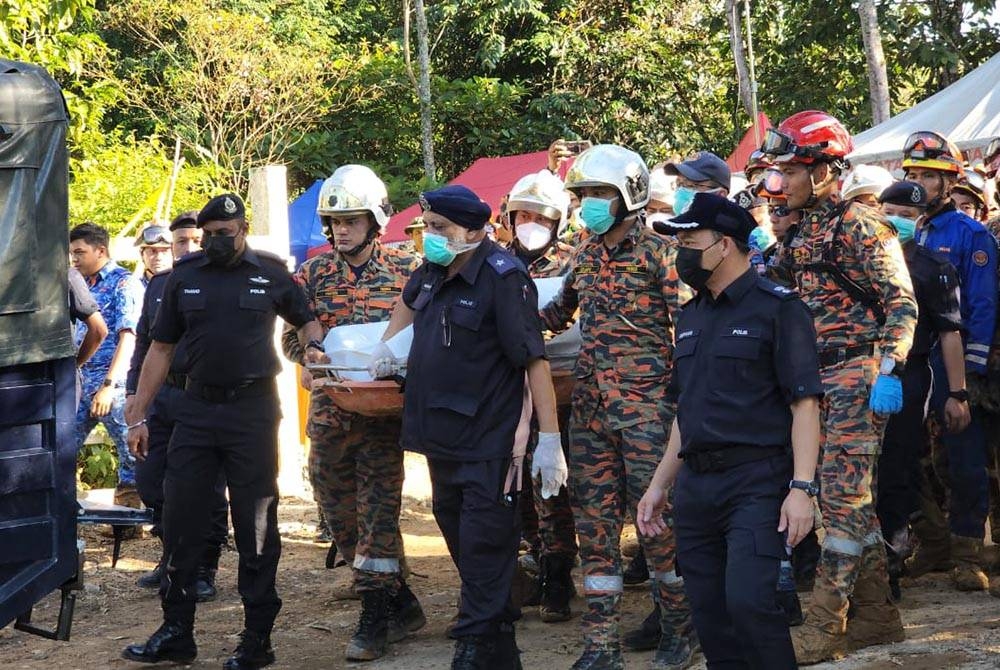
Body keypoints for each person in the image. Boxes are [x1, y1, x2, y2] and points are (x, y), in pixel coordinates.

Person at [121, 194, 325, 670]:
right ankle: (176, 631)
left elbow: (307, 320)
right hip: (193, 410)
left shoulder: (271, 273)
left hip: (251, 413)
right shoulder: (183, 278)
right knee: (181, 520)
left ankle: (257, 638)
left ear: (242, 229)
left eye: (224, 234)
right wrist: (139, 412)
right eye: (208, 234)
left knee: (255, 525)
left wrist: (316, 348)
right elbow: (161, 349)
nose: (214, 242)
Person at [368, 184, 566, 669]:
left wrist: (550, 440)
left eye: (441, 229)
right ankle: (498, 641)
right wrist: (385, 349)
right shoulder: (431, 272)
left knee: (484, 542)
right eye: (427, 228)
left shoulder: (503, 278)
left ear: (475, 231)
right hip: (439, 437)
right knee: (457, 532)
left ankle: (474, 647)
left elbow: (534, 360)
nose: (430, 237)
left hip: (490, 441)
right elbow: (406, 308)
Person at [637, 191, 823, 669]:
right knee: (711, 614)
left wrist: (802, 489)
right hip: (697, 487)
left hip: (756, 481)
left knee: (750, 604)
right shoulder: (692, 314)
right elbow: (687, 412)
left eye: (690, 240)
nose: (682, 252)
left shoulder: (779, 308)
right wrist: (659, 485)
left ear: (724, 245)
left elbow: (804, 403)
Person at [764, 110, 917, 664]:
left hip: (858, 376)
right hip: (814, 379)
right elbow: (771, 287)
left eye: (791, 169)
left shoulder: (860, 224)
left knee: (843, 498)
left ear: (824, 170)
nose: (780, 181)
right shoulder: (800, 228)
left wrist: (888, 368)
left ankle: (827, 624)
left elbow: (901, 304)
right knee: (848, 499)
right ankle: (879, 618)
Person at [542, 144, 694, 670]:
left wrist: (685, 400)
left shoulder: (661, 253)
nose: (588, 204)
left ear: (628, 194)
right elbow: (555, 313)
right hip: (590, 413)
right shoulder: (583, 254)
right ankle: (600, 643)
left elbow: (690, 330)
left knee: (656, 525)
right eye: (582, 194)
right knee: (595, 525)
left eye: (599, 194)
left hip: (649, 412)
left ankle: (679, 626)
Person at [279, 165, 424, 661]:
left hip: (384, 416)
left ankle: (374, 613)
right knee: (338, 510)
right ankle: (400, 598)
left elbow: (425, 333)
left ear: (376, 220)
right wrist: (308, 354)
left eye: (352, 221)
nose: (341, 230)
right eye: (335, 222)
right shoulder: (312, 274)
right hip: (330, 415)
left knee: (379, 511)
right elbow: (288, 336)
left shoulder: (408, 269)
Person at [901, 131, 999, 591]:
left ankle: (967, 552)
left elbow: (981, 306)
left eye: (928, 176)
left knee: (964, 458)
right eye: (913, 174)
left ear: (948, 183)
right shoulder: (914, 229)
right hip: (916, 361)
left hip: (956, 363)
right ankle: (934, 542)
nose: (918, 183)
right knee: (917, 456)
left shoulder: (971, 235)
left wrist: (971, 375)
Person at [127, 211, 227, 601]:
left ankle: (204, 565)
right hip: (161, 397)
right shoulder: (161, 285)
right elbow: (143, 342)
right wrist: (134, 395)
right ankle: (172, 555)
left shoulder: (216, 282)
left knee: (206, 485)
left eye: (191, 241)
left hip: (202, 396)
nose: (185, 249)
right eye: (178, 242)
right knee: (152, 480)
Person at [874, 182, 968, 600]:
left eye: (907, 215)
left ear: (921, 220)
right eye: (890, 210)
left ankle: (889, 567)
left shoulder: (933, 268)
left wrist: (959, 393)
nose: (897, 220)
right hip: (856, 373)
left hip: (909, 377)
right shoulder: (862, 260)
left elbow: (950, 333)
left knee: (896, 468)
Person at [503, 169, 578, 623]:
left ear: (558, 221)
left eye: (541, 216)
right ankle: (533, 561)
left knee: (555, 489)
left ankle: (559, 575)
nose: (530, 222)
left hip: (563, 394)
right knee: (519, 492)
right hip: (509, 398)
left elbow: (576, 316)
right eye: (522, 214)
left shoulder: (574, 262)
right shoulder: (492, 262)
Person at [69, 222, 144, 506]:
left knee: (131, 451)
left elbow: (129, 338)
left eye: (80, 252)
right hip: (81, 380)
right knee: (63, 446)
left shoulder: (124, 283)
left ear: (100, 250)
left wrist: (109, 386)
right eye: (72, 253)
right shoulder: (81, 284)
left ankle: (130, 518)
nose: (74, 259)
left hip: (113, 382)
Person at [69, 267, 109, 402]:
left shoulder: (69, 276)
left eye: (80, 252)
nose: (75, 258)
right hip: (63, 375)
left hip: (105, 374)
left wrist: (75, 364)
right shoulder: (71, 276)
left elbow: (99, 330)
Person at [664, 150, 731, 216]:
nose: (681, 190)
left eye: (690, 185)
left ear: (721, 195)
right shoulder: (671, 225)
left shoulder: (736, 225)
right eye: (679, 184)